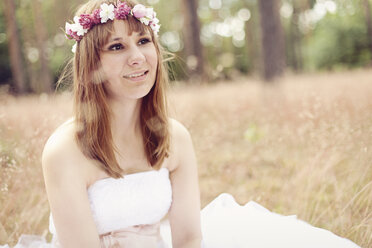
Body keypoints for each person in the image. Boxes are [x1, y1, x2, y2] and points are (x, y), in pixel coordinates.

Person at [1, 0, 362, 247]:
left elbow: (188, 238)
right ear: (90, 65)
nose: (138, 57)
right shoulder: (65, 151)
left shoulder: (174, 137)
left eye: (144, 41)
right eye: (117, 47)